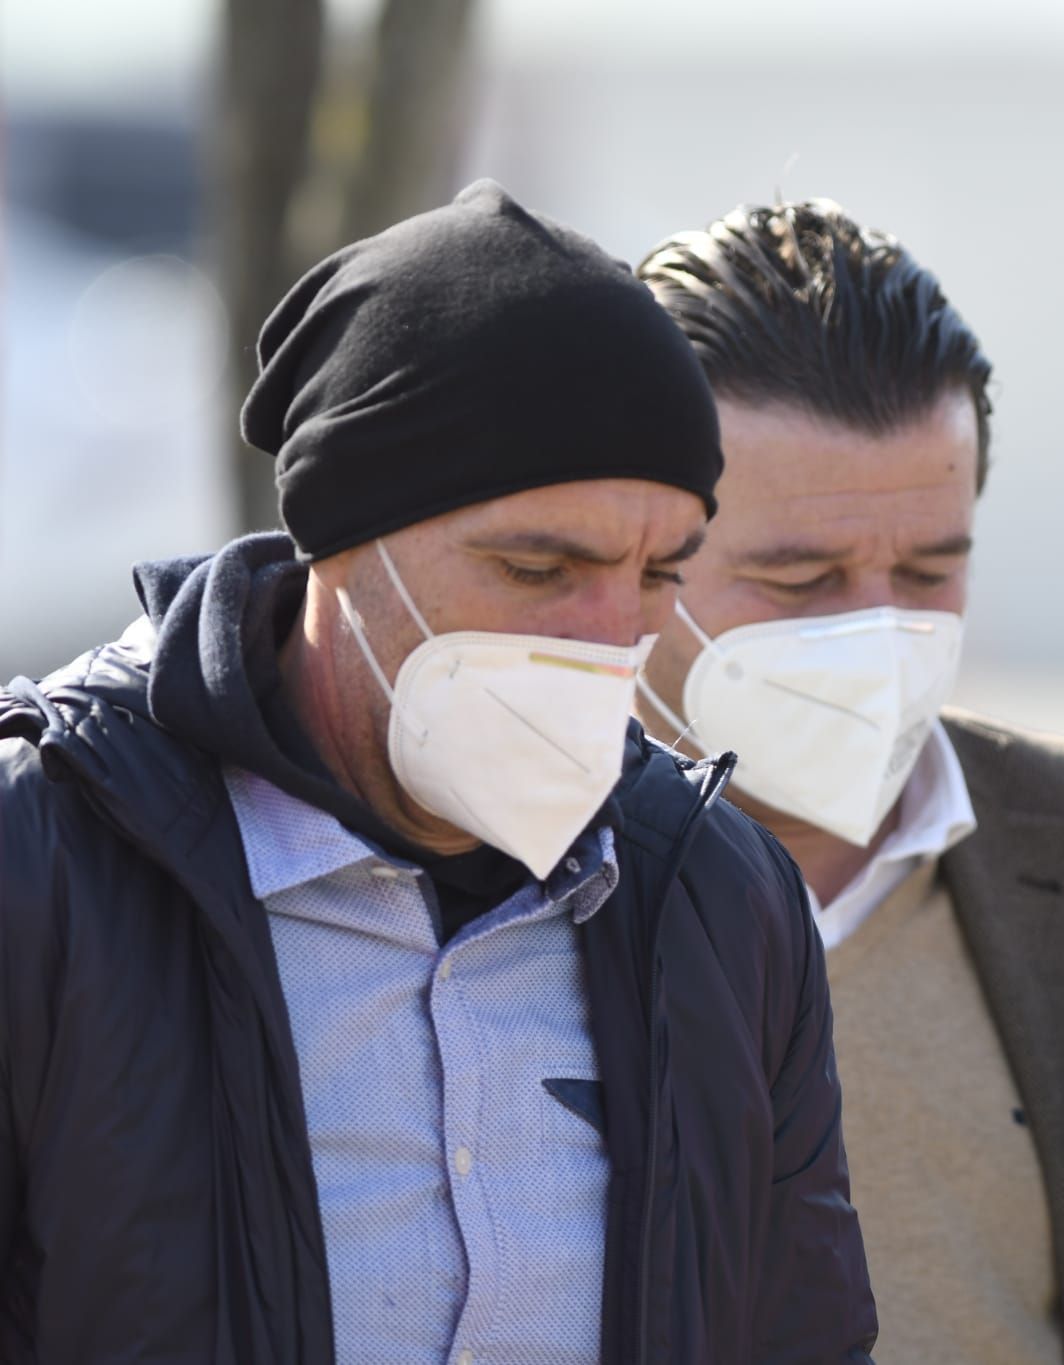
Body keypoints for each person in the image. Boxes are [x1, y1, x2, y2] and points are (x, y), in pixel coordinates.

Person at [0, 182, 874, 1363]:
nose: (607, 634)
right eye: (535, 567)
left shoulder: (719, 897)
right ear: (341, 544)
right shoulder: (41, 862)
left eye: (659, 573)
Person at [630, 200, 1064, 1365]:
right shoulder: (501, 862)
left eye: (929, 569)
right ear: (644, 553)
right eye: (802, 580)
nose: (878, 628)